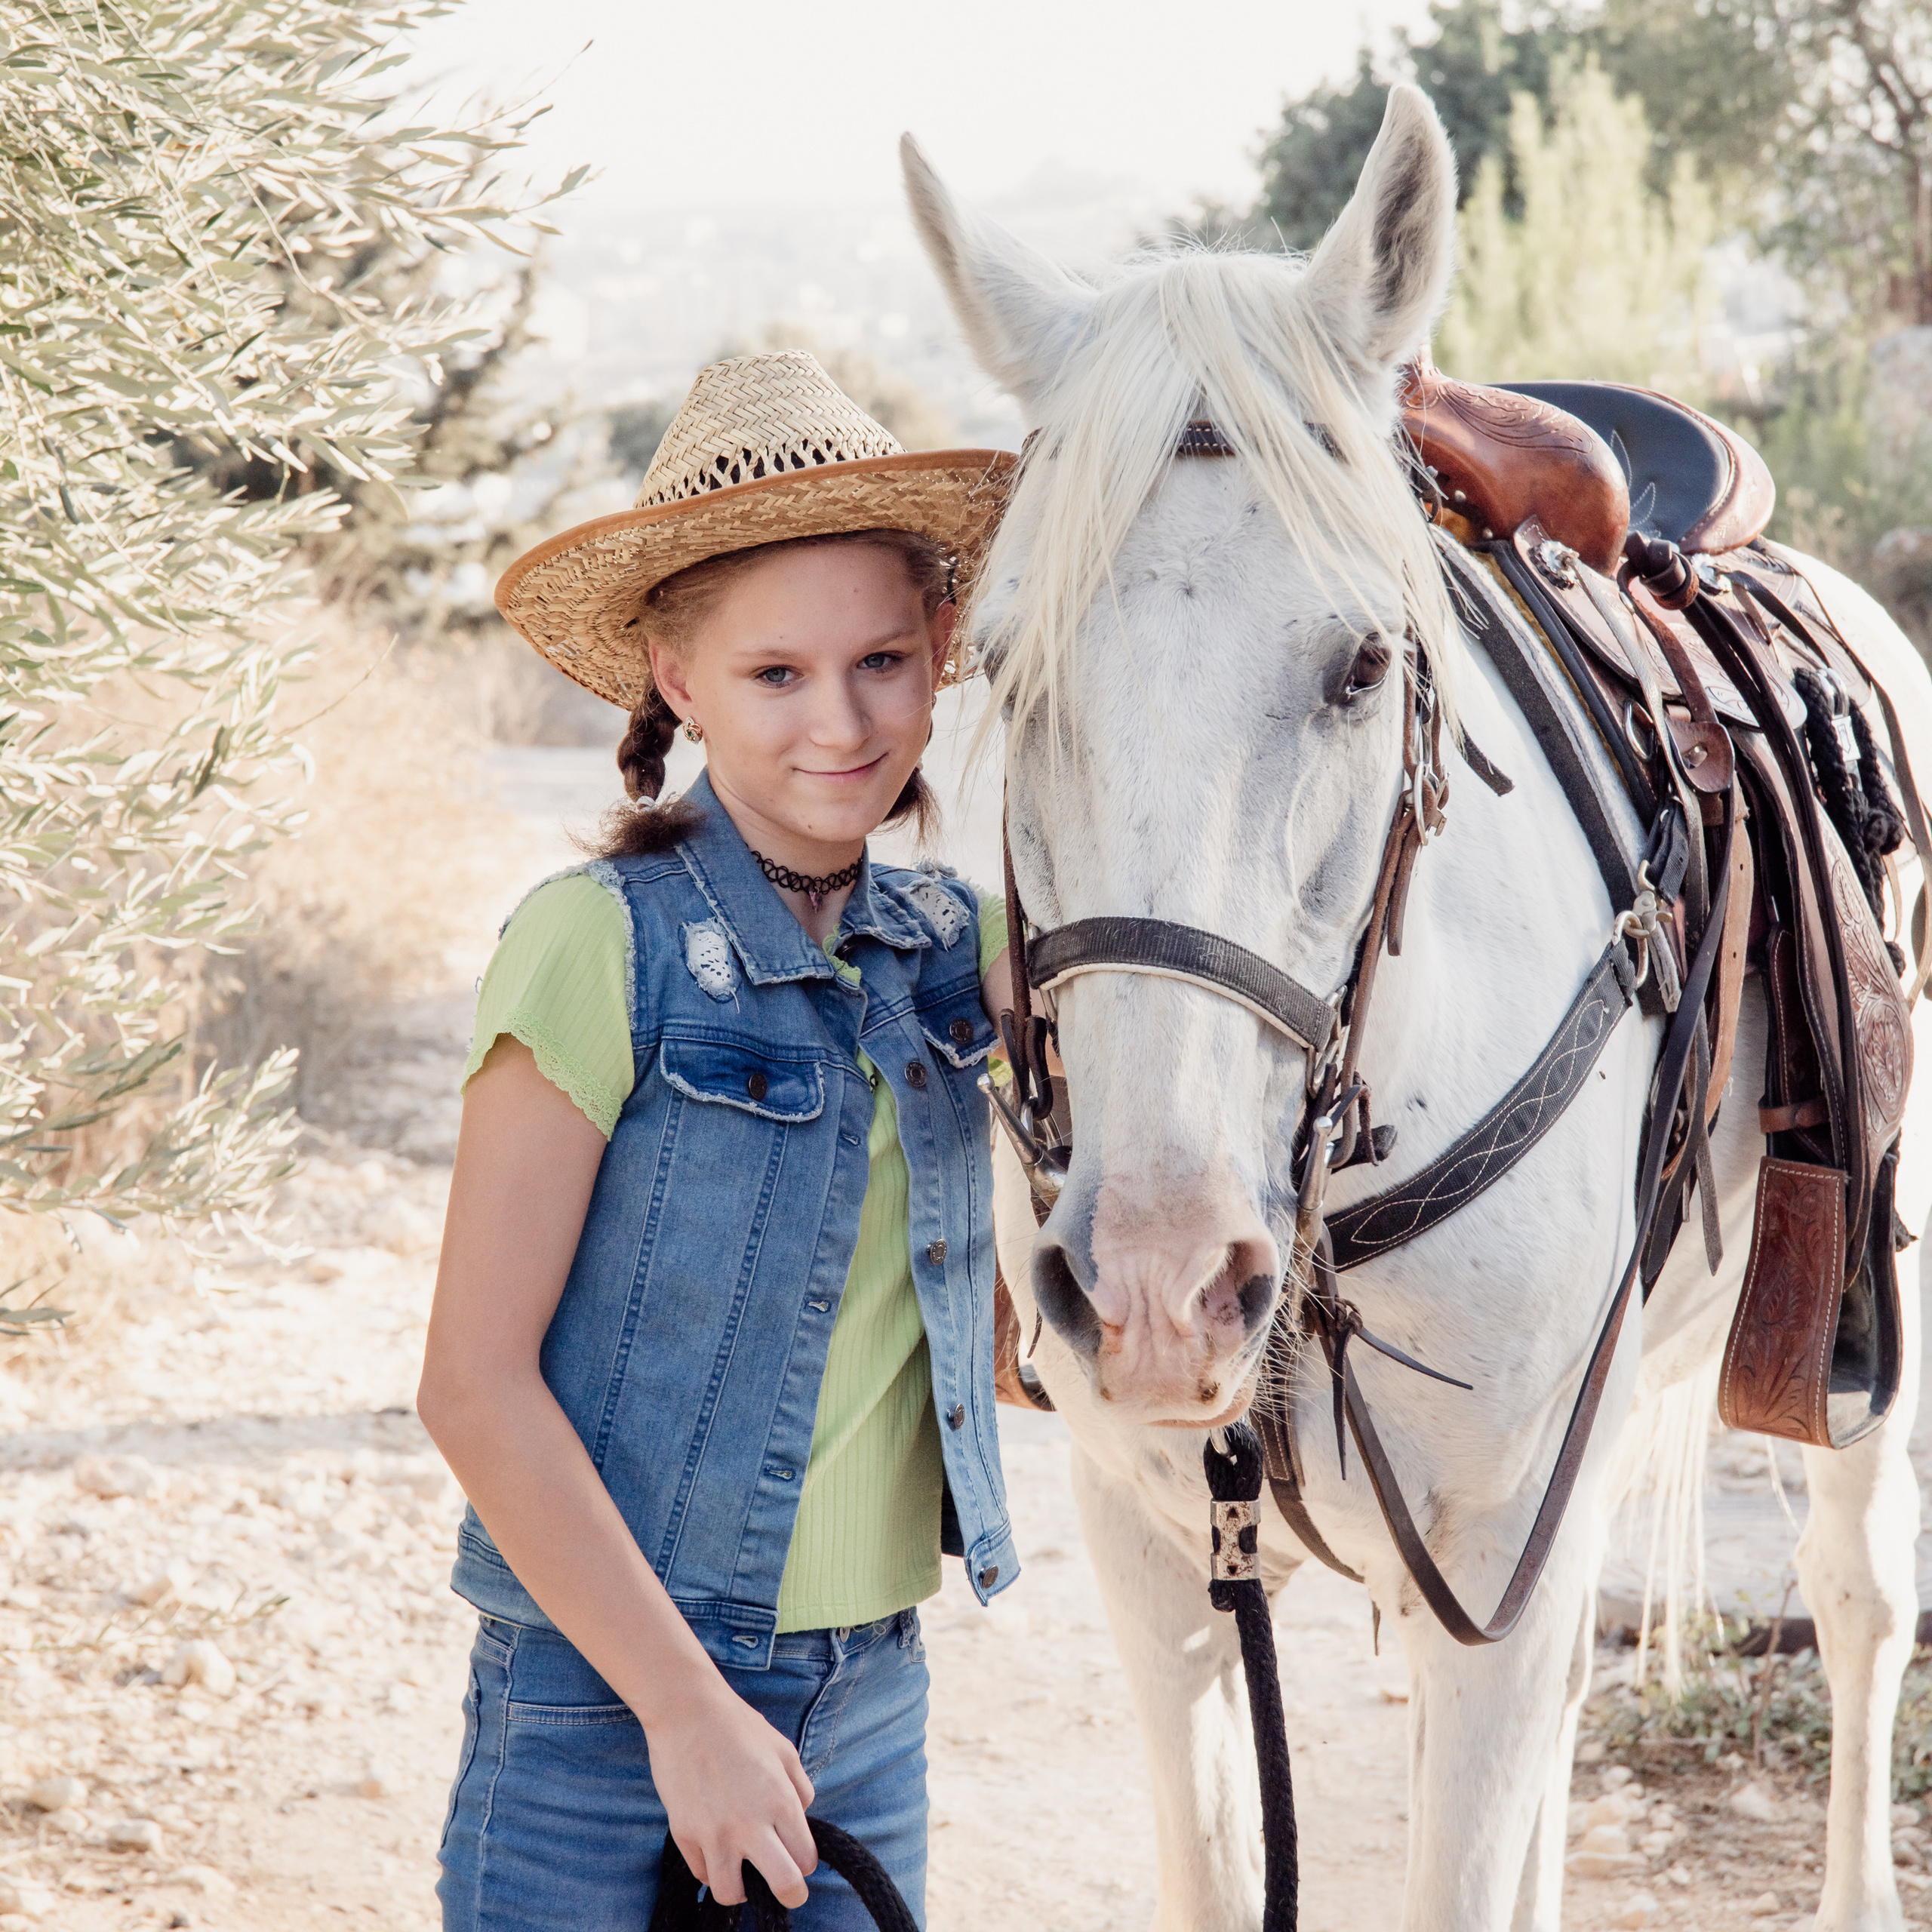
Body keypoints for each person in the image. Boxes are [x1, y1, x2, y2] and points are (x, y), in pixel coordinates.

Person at [420, 351, 1020, 1931]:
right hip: (599, 1710)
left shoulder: (963, 947)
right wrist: (685, 1716)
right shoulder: (591, 944)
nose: (841, 720)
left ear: (943, 647)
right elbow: (471, 1384)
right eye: (775, 676)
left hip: (865, 1705)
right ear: (675, 679)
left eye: (884, 658)